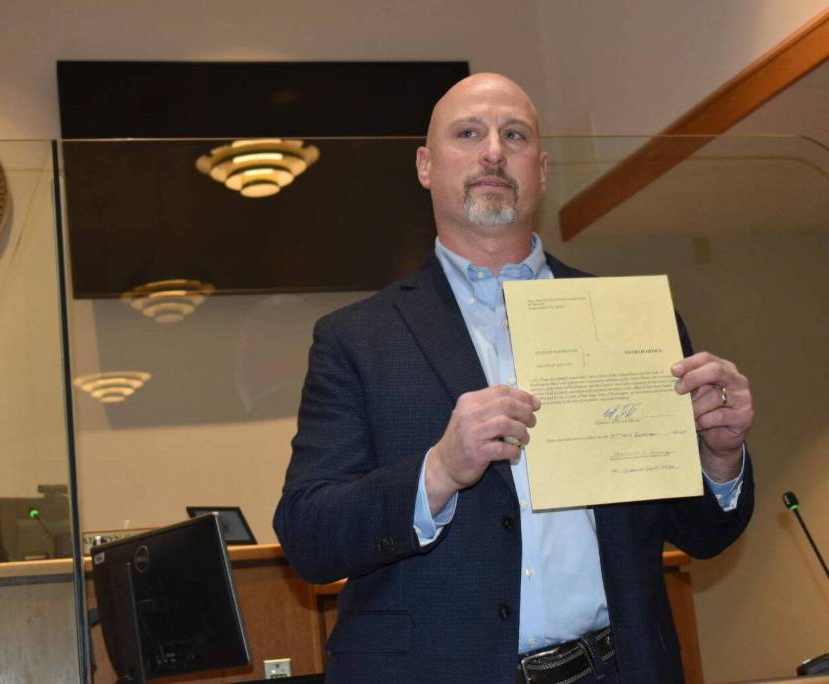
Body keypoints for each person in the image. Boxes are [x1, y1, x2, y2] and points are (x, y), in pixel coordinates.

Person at [274, 73, 754, 683]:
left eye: (515, 135)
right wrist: (439, 470)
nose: (494, 151)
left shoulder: (633, 320)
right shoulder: (355, 340)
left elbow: (700, 534)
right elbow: (310, 536)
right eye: (469, 133)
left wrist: (719, 455)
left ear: (542, 169)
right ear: (425, 166)